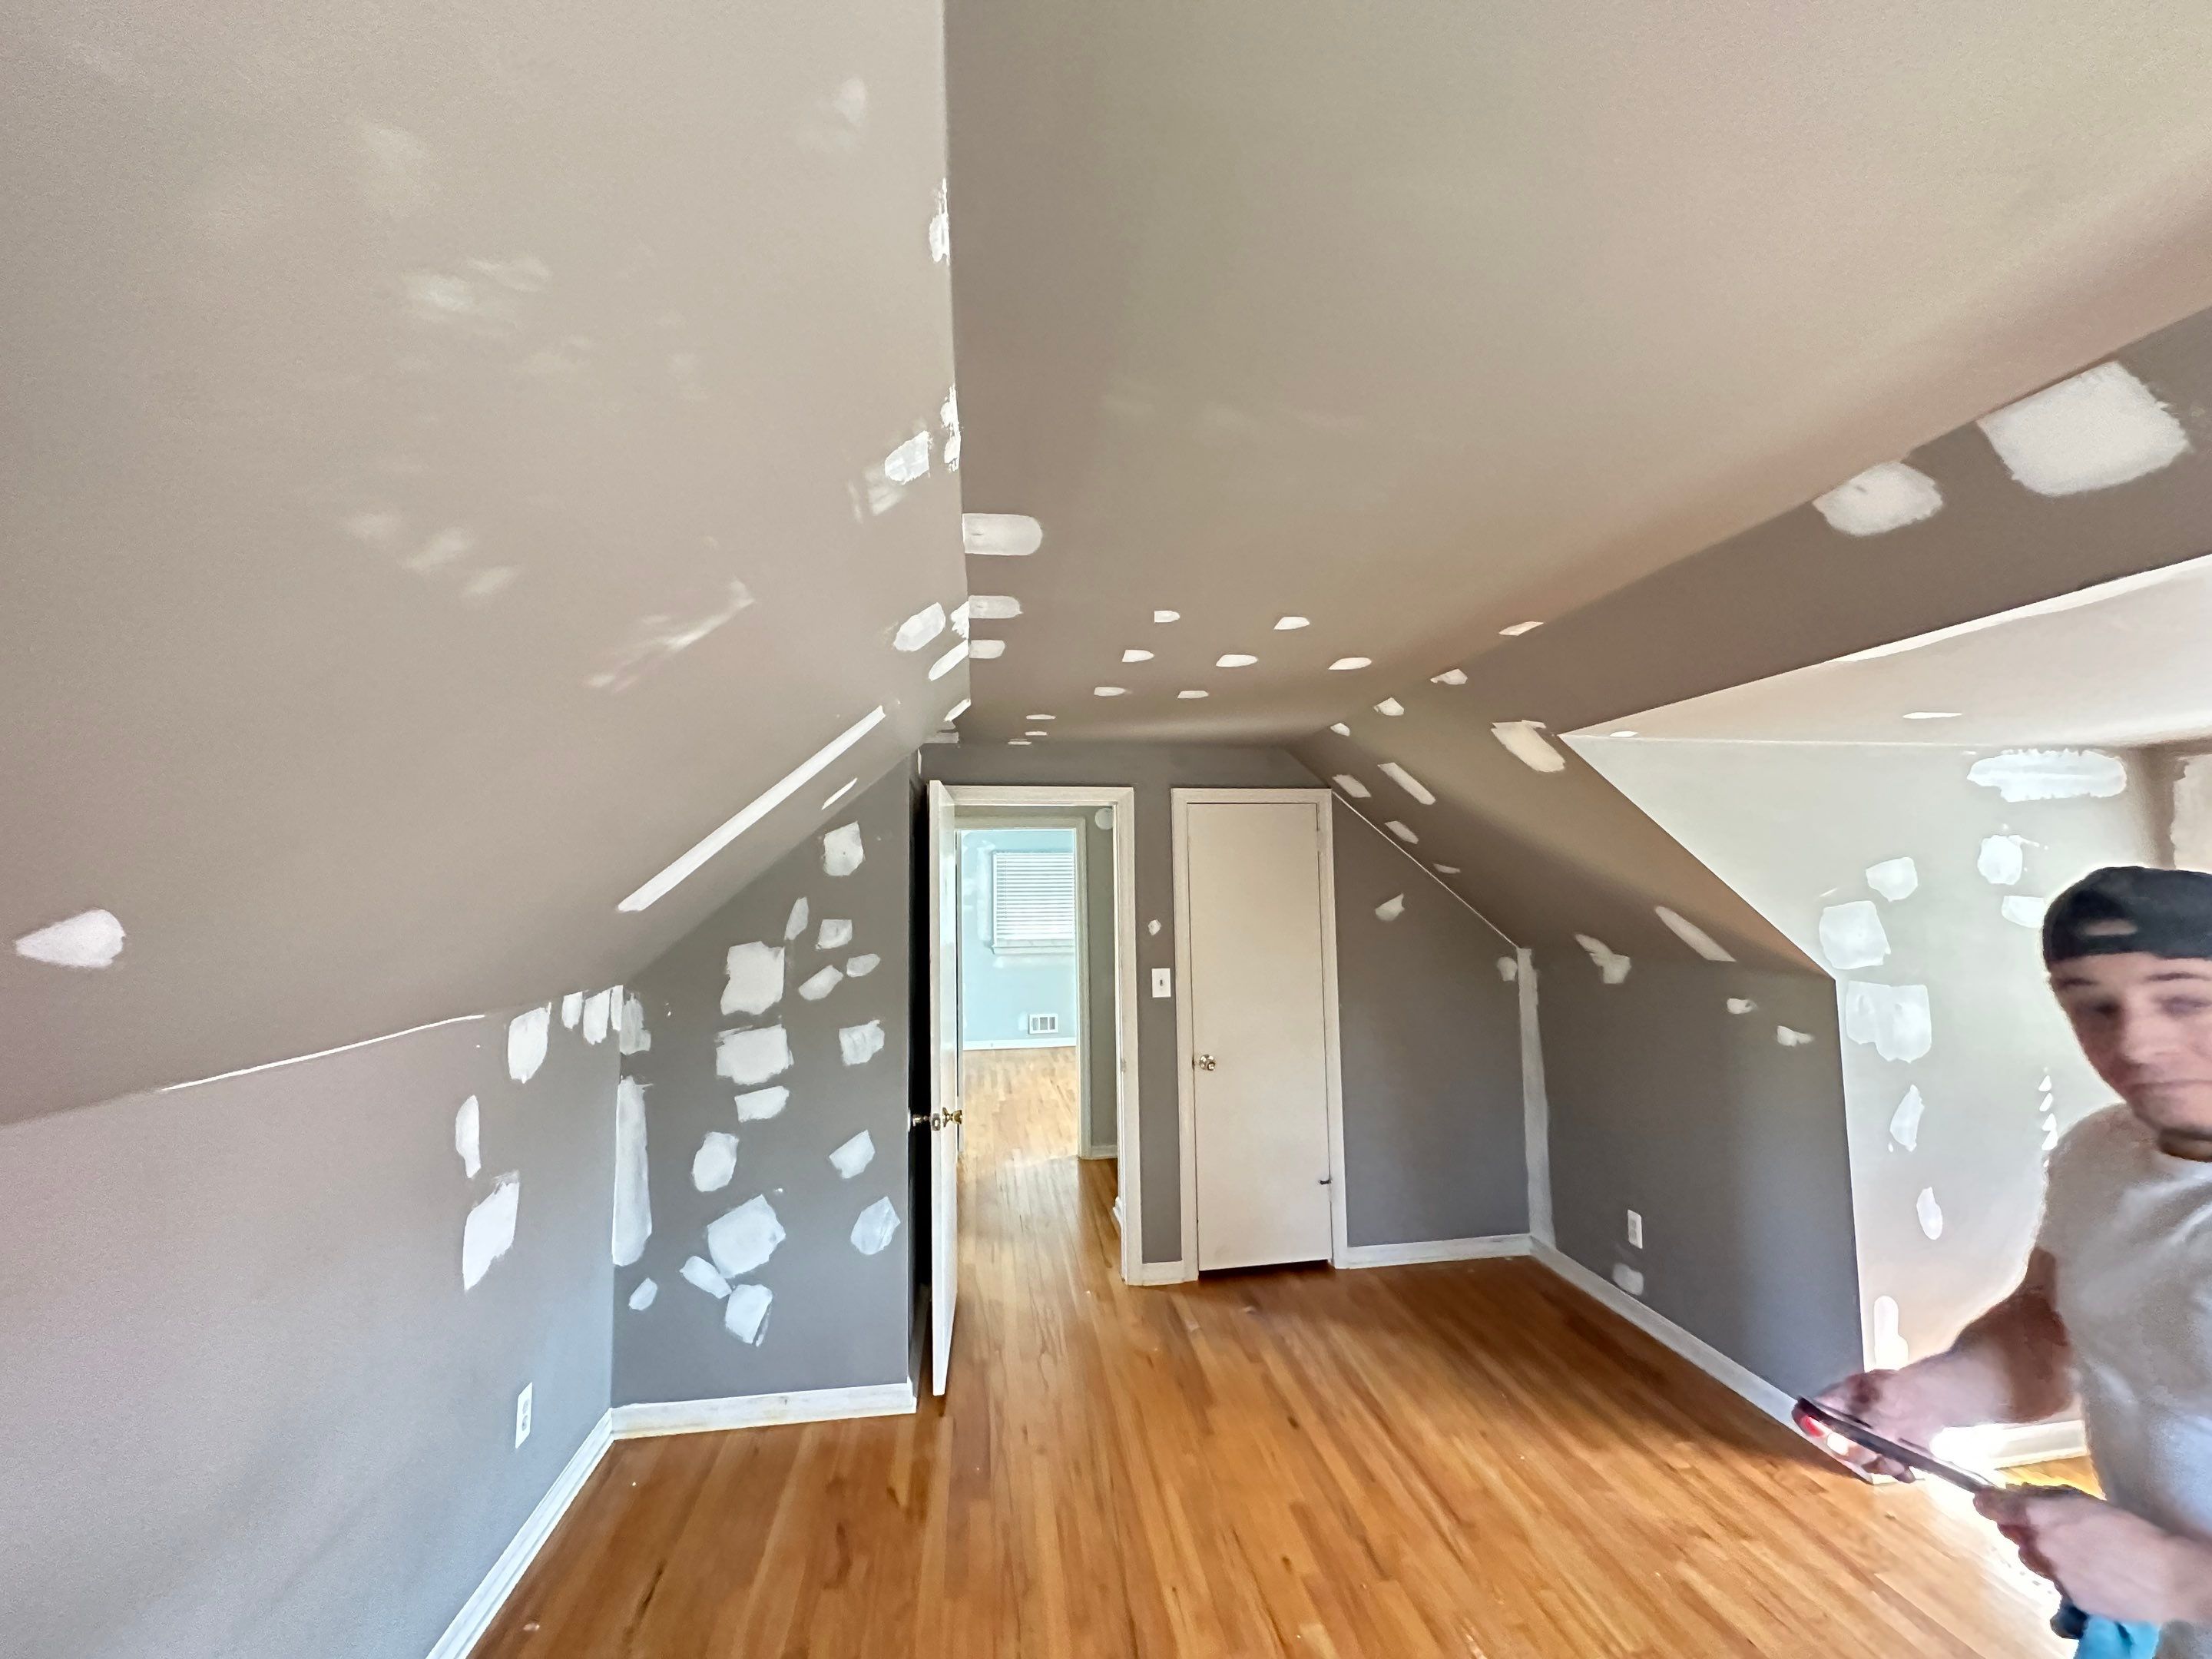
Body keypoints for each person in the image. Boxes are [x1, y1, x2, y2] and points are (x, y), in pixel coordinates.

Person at [1816, 865, 2212, 1651]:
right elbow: (2053, 1325)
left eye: (2184, 999)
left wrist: (2176, 1577)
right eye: (2092, 1006)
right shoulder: (2102, 1152)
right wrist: (1934, 1394)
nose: (2131, 1042)